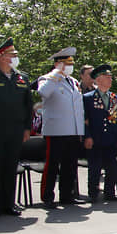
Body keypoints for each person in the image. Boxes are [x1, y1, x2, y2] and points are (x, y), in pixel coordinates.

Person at [0, 38, 33, 218]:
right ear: (1, 57)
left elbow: (28, 105)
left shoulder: (22, 77)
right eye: (12, 54)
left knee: (11, 167)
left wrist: (27, 128)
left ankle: (9, 204)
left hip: (15, 130)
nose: (15, 58)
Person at [37, 47, 85, 206]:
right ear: (58, 64)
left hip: (72, 131)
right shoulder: (46, 78)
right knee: (52, 165)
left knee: (70, 165)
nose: (70, 67)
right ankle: (47, 196)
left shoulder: (74, 82)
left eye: (71, 63)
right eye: (66, 64)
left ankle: (67, 195)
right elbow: (43, 93)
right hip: (56, 130)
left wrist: (80, 131)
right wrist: (55, 74)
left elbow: (78, 108)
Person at [83, 64, 117, 202]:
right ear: (98, 79)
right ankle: (93, 193)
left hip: (110, 138)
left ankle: (110, 193)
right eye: (107, 77)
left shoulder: (114, 98)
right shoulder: (88, 98)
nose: (110, 80)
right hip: (95, 138)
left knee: (111, 167)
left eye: (111, 77)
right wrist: (87, 136)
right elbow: (84, 120)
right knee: (94, 167)